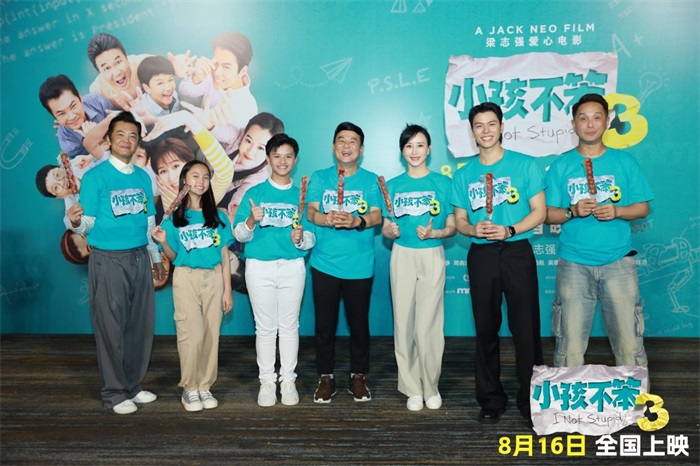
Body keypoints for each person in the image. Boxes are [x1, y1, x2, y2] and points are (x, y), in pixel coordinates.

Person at [450, 102, 545, 424]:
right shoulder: (463, 175)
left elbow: (539, 212)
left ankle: (531, 401)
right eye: (479, 125)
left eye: (492, 124)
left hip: (517, 251)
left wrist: (510, 230)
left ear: (502, 126)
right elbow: (459, 221)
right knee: (486, 328)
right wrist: (471, 229)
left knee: (526, 329)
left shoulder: (525, 165)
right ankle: (490, 399)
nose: (486, 130)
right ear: (472, 130)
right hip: (482, 255)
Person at [67, 111, 165, 415]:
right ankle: (113, 393)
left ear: (138, 142)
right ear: (109, 139)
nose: (127, 140)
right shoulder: (95, 177)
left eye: (133, 136)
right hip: (109, 259)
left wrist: (156, 257)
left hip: (139, 256)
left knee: (140, 326)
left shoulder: (143, 177)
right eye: (120, 134)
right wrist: (74, 223)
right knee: (111, 327)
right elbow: (87, 224)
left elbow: (149, 224)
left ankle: (133, 386)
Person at [544, 93, 652, 368]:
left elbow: (642, 208)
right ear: (574, 124)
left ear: (606, 122)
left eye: (596, 117)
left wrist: (617, 211)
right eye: (583, 118)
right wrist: (572, 211)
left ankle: (636, 396)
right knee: (569, 348)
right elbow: (546, 214)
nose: (590, 124)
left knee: (629, 345)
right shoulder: (561, 166)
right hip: (573, 263)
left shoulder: (625, 162)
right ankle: (567, 397)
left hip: (618, 262)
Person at [233, 133, 315, 407]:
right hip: (259, 267)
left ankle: (288, 381)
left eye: (288, 156)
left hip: (292, 267)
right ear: (268, 159)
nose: (282, 161)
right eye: (277, 155)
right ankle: (267, 382)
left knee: (290, 326)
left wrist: (300, 239)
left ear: (295, 160)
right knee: (265, 328)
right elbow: (239, 235)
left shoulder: (302, 196)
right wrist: (250, 220)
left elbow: (311, 238)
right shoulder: (255, 193)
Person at [306, 122, 382, 404]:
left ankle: (358, 376)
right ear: (333, 146)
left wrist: (356, 221)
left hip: (359, 266)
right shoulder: (319, 177)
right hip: (324, 264)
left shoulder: (371, 180)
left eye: (352, 141)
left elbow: (377, 216)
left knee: (358, 325)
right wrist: (326, 219)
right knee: (324, 325)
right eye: (341, 140)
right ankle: (325, 377)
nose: (346, 146)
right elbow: (311, 212)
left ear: (361, 149)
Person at [381, 125, 455, 411]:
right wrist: (390, 230)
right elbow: (386, 227)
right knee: (404, 322)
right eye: (409, 146)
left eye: (420, 145)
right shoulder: (392, 186)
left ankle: (430, 386)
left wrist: (436, 233)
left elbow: (452, 227)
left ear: (429, 149)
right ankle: (411, 388)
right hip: (402, 254)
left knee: (429, 325)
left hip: (432, 254)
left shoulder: (443, 183)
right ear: (402, 151)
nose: (415, 151)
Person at [152, 160, 234, 412]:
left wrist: (227, 290)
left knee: (211, 334)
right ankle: (190, 387)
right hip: (186, 277)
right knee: (192, 334)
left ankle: (205, 385)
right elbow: (174, 257)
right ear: (185, 181)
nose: (201, 181)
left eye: (206, 177)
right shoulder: (174, 218)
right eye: (195, 176)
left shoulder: (218, 216)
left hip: (214, 278)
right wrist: (163, 241)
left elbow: (224, 256)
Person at [178, 32, 258, 153]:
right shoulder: (211, 75)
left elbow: (235, 143)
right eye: (216, 63)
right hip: (191, 137)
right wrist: (196, 78)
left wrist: (211, 125)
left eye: (226, 67)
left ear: (242, 71)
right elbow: (184, 91)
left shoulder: (248, 107)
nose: (217, 72)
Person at [143, 110, 234, 214]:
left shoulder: (206, 193)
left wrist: (187, 119)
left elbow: (226, 171)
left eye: (176, 166)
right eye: (163, 171)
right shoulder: (165, 186)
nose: (171, 178)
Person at [223, 112, 284, 220]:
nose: (250, 151)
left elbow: (240, 201)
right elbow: (218, 130)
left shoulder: (259, 177)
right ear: (244, 134)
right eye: (248, 141)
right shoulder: (238, 137)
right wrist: (208, 124)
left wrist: (234, 214)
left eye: (260, 148)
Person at [38, 74, 113, 159]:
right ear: (54, 116)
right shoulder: (68, 143)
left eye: (73, 106)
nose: (72, 117)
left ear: (80, 98)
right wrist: (94, 141)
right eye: (61, 114)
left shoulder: (97, 101)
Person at [87, 33, 150, 109]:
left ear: (126, 56)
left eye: (118, 62)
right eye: (107, 68)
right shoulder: (98, 91)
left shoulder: (146, 64)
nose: (117, 73)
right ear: (99, 72)